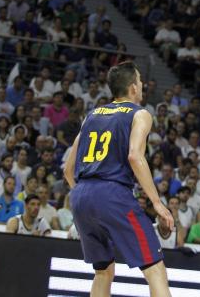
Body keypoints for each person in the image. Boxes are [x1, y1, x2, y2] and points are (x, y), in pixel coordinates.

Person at [63, 62, 174, 297]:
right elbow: (135, 155)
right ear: (133, 88)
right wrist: (156, 203)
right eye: (140, 80)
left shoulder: (91, 115)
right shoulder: (140, 114)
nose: (143, 84)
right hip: (112, 194)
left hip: (81, 195)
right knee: (155, 269)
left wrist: (83, 194)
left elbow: (68, 169)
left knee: (103, 271)